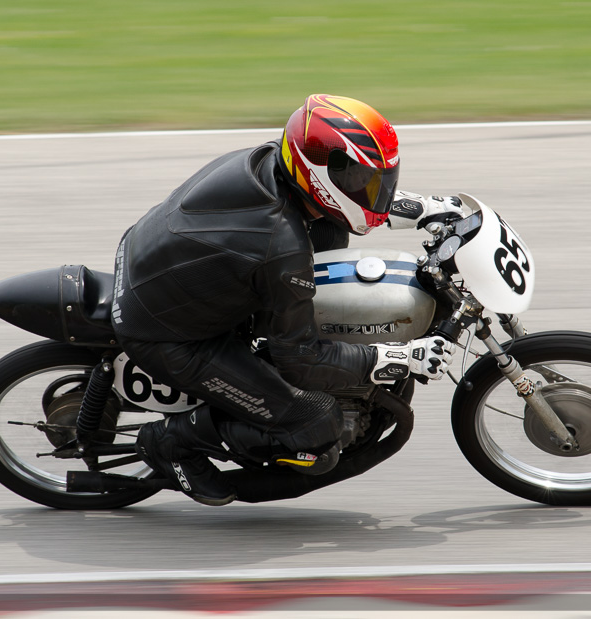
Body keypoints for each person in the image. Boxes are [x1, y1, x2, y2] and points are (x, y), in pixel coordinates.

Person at [111, 94, 461, 505]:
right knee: (315, 423)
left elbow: (338, 201)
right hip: (168, 333)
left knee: (331, 236)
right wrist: (394, 358)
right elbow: (300, 360)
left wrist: (417, 208)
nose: (373, 191)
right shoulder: (281, 245)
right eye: (362, 181)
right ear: (320, 173)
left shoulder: (271, 163)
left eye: (380, 180)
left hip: (159, 264)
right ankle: (171, 441)